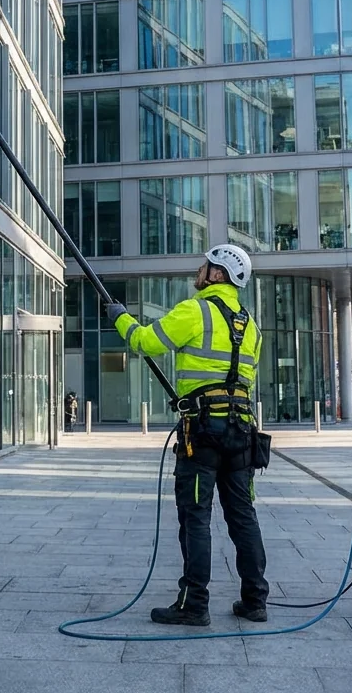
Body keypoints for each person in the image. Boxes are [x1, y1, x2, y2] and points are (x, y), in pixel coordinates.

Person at [105, 244, 268, 627]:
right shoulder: (251, 326)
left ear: (217, 275)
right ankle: (255, 599)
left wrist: (120, 318)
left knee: (195, 515)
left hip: (204, 433)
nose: (200, 270)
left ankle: (194, 603)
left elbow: (146, 341)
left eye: (206, 266)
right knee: (243, 515)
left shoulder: (196, 310)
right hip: (241, 431)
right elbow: (246, 381)